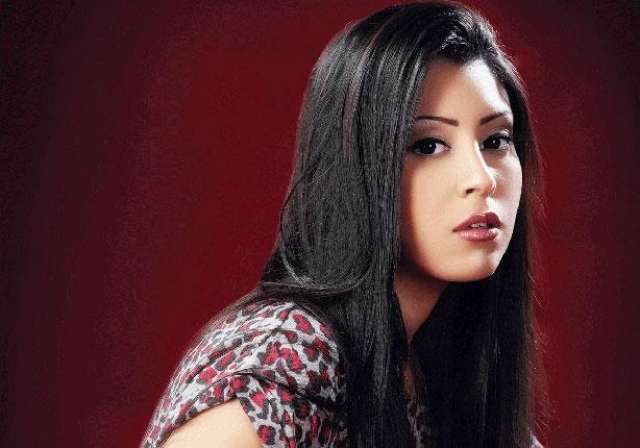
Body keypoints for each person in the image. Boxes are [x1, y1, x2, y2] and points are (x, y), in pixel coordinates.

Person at [140, 1, 546, 447]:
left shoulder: (447, 366)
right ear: (355, 167)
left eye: (495, 140)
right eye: (428, 145)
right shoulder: (285, 360)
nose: (482, 179)